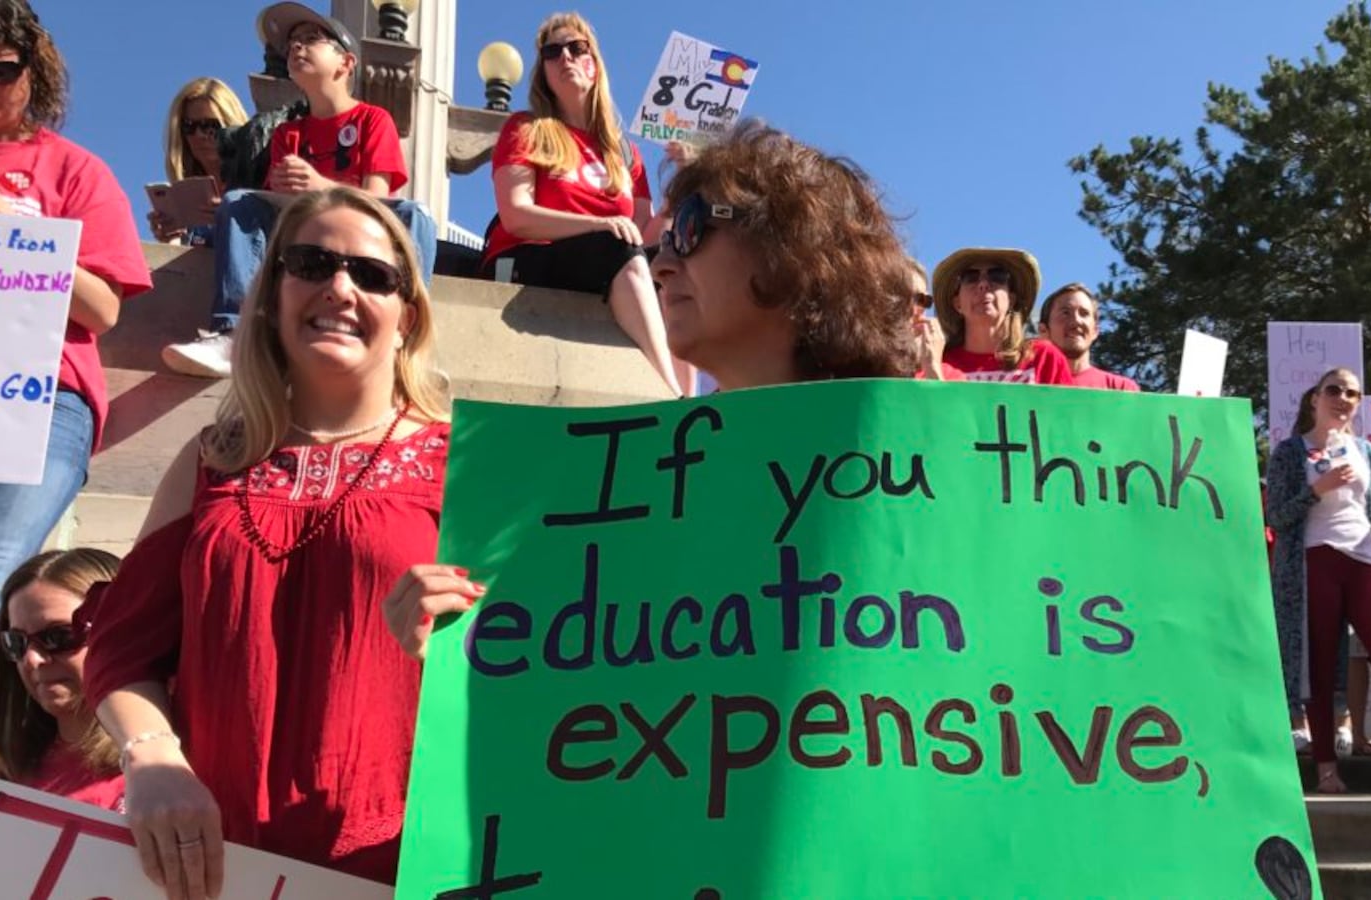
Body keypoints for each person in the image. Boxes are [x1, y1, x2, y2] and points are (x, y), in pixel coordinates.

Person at [385, 122, 916, 658]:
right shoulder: (622, 487)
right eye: (663, 242)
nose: (660, 264)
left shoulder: (908, 475)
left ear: (793, 244)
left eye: (689, 229)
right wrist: (461, 643)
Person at [87, 186, 451, 894]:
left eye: (374, 275)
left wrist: (465, 633)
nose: (341, 287)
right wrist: (153, 756)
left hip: (402, 863)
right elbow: (122, 648)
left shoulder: (464, 464)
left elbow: (529, 662)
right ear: (273, 294)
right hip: (220, 862)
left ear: (407, 318)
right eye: (312, 263)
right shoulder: (208, 460)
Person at [161, 3, 437, 380]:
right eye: (291, 43)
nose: (296, 48)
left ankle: (406, 342)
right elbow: (282, 207)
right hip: (304, 237)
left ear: (346, 63)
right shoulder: (287, 134)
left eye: (311, 40)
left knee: (416, 215)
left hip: (362, 235)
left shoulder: (373, 119)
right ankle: (233, 331)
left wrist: (320, 187)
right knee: (240, 201)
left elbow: (379, 198)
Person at [0, 0, 153, 610]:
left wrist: (7, 231)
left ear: (36, 70)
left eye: (0, 70)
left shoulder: (73, 168)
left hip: (34, 395)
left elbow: (102, 309)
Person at [481, 12, 683, 395]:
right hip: (530, 257)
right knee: (618, 245)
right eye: (553, 52)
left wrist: (680, 188)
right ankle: (672, 395)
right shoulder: (526, 129)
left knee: (681, 267)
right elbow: (516, 215)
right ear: (543, 72)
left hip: (607, 256)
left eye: (577, 48)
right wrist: (598, 224)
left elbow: (642, 235)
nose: (566, 58)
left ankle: (700, 395)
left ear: (595, 65)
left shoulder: (624, 152)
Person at [1265, 368, 1371, 794]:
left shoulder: (1365, 449)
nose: (1342, 398)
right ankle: (1325, 767)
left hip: (1365, 560)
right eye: (1333, 390)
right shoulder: (1289, 451)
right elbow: (1276, 518)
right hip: (1312, 562)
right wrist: (1316, 490)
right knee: (1319, 669)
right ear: (1315, 399)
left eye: (1352, 393)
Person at [0, 548, 124, 810]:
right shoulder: (2, 767)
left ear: (121, 630)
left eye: (58, 637)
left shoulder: (169, 771)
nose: (32, 659)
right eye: (16, 642)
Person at [933, 248, 1073, 385]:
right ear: (957, 304)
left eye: (997, 276)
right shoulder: (937, 361)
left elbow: (1069, 408)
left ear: (1011, 300)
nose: (983, 284)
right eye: (971, 277)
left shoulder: (1044, 358)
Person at [149, 77, 249, 245]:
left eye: (210, 126)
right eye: (189, 126)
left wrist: (236, 218)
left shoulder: (259, 185)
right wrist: (170, 239)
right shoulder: (185, 197)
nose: (199, 136)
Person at [1037, 282, 1140, 391]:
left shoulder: (1122, 390)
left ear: (1095, 331)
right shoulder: (1025, 387)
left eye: (1084, 313)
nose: (1076, 321)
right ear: (1044, 330)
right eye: (1065, 313)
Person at [905, 257, 960, 381]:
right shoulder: (862, 364)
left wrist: (932, 369)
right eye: (903, 296)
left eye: (922, 300)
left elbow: (946, 401)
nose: (914, 310)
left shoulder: (951, 376)